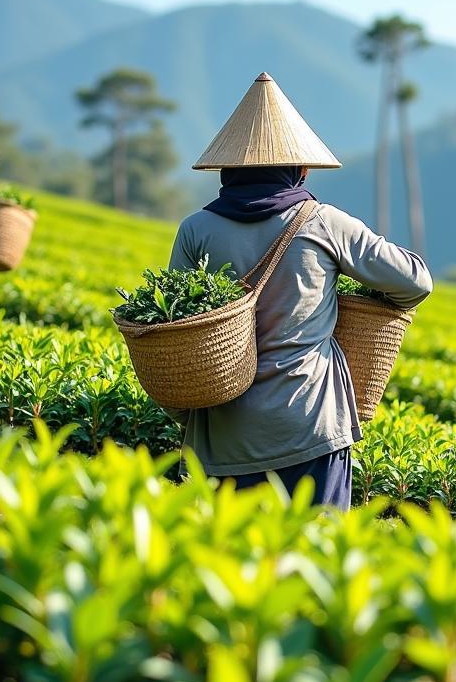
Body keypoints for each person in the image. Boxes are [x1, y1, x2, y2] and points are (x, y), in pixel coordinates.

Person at [168, 72, 433, 511]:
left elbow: (175, 326)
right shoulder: (324, 223)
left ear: (227, 169)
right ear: (300, 168)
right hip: (310, 423)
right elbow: (416, 281)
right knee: (316, 561)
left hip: (223, 434)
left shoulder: (195, 229)